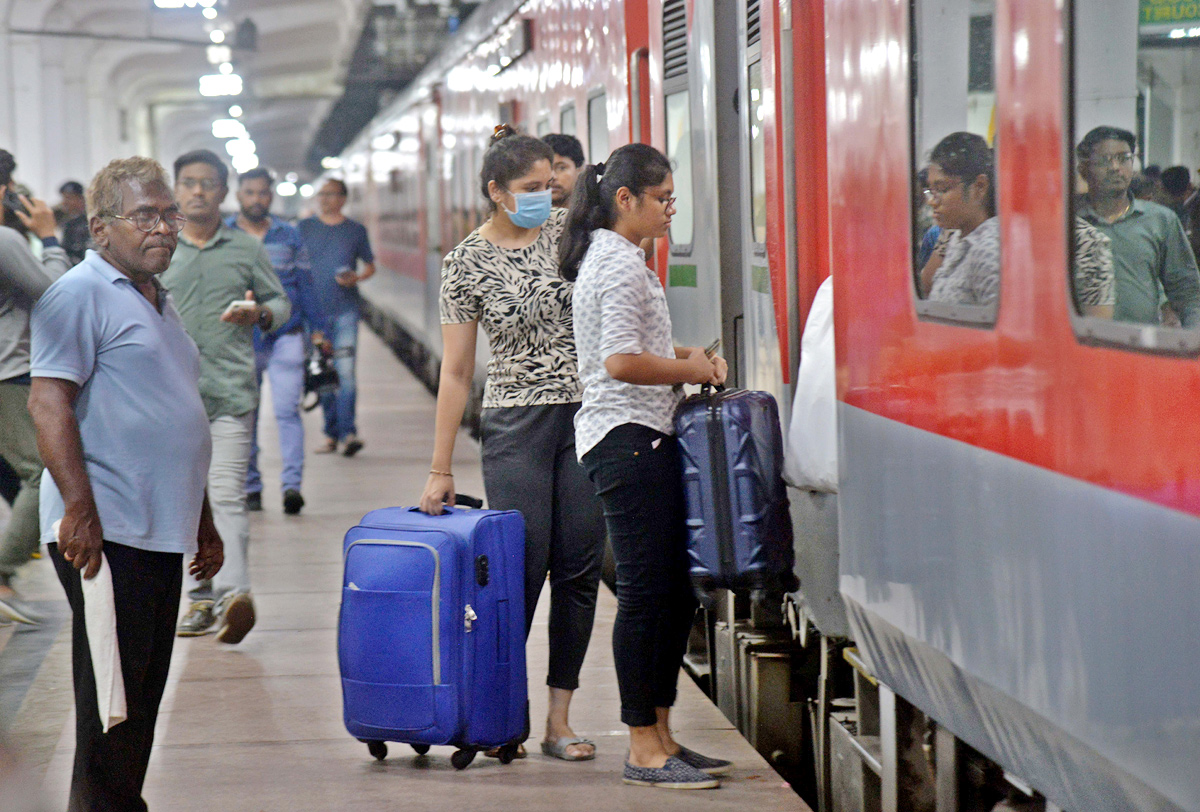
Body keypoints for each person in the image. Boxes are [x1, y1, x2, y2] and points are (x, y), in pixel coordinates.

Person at [28, 156, 223, 811]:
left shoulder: (156, 300)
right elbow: (47, 403)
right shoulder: (77, 294)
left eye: (169, 214)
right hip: (105, 533)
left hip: (155, 529)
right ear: (100, 227)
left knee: (140, 693)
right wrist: (79, 512)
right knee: (112, 701)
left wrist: (204, 519)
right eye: (145, 215)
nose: (165, 227)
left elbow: (173, 411)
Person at [419, 125, 606, 762]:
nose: (546, 197)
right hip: (515, 426)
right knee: (519, 573)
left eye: (550, 186)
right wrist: (440, 466)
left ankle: (559, 718)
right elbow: (456, 372)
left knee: (578, 572)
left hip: (586, 419)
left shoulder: (571, 235)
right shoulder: (465, 262)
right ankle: (500, 709)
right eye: (530, 188)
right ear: (497, 192)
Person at [560, 143, 732, 789]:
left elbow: (641, 347)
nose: (669, 209)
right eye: (661, 198)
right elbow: (619, 362)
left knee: (668, 591)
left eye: (672, 198)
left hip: (640, 435)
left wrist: (691, 355)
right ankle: (642, 747)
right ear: (625, 200)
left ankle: (662, 734)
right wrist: (689, 369)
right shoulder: (619, 265)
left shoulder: (620, 257)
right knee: (642, 595)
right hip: (626, 440)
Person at [162, 149, 290, 642]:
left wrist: (258, 315)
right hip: (168, 401)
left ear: (223, 191)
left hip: (230, 394)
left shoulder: (245, 248)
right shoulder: (159, 248)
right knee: (184, 503)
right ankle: (200, 599)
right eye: (189, 182)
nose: (198, 191)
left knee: (227, 496)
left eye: (208, 183)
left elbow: (279, 301)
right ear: (176, 188)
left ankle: (236, 594)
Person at [0, 148, 69, 625]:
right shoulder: (4, 240)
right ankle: (1, 571)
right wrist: (49, 237)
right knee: (42, 471)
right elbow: (58, 298)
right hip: (9, 373)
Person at [227, 167, 320, 516]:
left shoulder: (289, 235)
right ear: (238, 195)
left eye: (262, 193)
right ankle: (251, 486)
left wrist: (319, 329)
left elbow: (306, 284)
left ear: (271, 195)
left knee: (287, 412)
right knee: (245, 414)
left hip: (287, 335)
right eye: (249, 192)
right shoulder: (226, 236)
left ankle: (292, 486)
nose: (256, 199)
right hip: (240, 340)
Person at [1076, 126, 1200, 328]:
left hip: (1141, 348)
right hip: (1082, 346)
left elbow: (1187, 290)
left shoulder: (1160, 220)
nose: (1116, 167)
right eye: (1105, 159)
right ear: (1084, 169)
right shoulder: (1069, 222)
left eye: (1124, 158)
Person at [298, 179, 375, 457]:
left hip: (345, 312)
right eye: (322, 194)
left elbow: (370, 266)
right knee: (324, 375)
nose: (325, 199)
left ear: (343, 198)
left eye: (331, 195)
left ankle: (348, 433)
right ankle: (331, 434)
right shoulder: (304, 228)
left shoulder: (355, 231)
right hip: (314, 315)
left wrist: (356, 277)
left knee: (345, 374)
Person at [922, 132, 1000, 306]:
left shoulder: (989, 251)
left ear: (979, 186)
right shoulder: (958, 238)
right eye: (931, 191)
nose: (932, 202)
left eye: (941, 189)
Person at [543, 133, 585, 208]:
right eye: (545, 169)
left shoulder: (595, 215)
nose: (552, 177)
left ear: (580, 170)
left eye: (561, 168)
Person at [57, 180, 90, 266]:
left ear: (80, 199)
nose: (64, 202)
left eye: (68, 198)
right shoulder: (67, 221)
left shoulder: (88, 222)